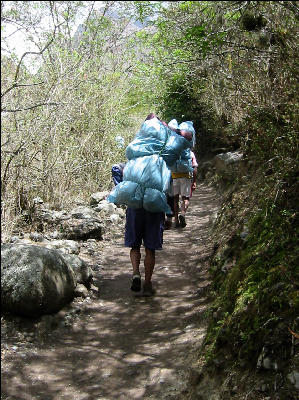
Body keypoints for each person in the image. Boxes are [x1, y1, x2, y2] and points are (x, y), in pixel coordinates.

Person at [125, 113, 192, 296]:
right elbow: (186, 138)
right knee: (150, 248)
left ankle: (135, 273)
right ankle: (147, 284)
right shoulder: (166, 150)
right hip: (154, 205)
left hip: (135, 203)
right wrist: (172, 129)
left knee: (134, 246)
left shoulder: (136, 147)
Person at [172, 148, 198, 228]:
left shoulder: (174, 152)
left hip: (174, 177)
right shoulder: (190, 153)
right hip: (186, 177)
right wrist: (194, 181)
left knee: (175, 199)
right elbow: (194, 168)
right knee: (185, 198)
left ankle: (176, 220)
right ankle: (182, 214)